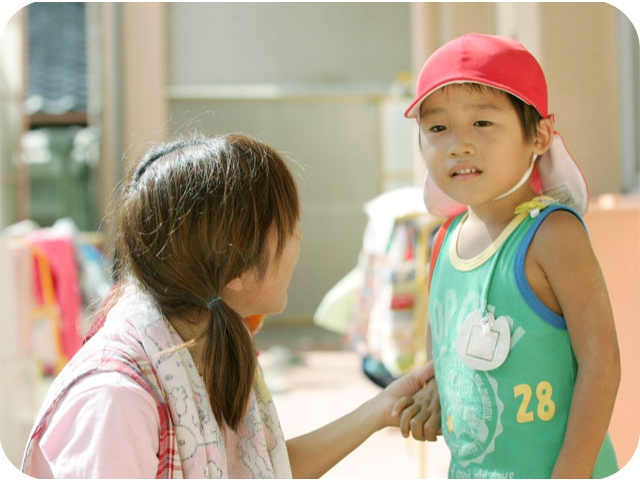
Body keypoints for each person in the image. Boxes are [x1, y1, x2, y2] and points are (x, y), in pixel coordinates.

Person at [21, 133, 434, 478]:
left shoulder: (200, 344)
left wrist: (381, 409)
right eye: (287, 226)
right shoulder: (115, 401)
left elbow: (265, 468)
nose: (299, 238)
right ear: (235, 264)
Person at [396, 33, 621, 478]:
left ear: (539, 136)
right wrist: (434, 389)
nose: (458, 143)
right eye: (437, 128)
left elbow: (602, 363)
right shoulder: (444, 241)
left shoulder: (551, 233)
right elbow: (445, 352)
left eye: (482, 123)